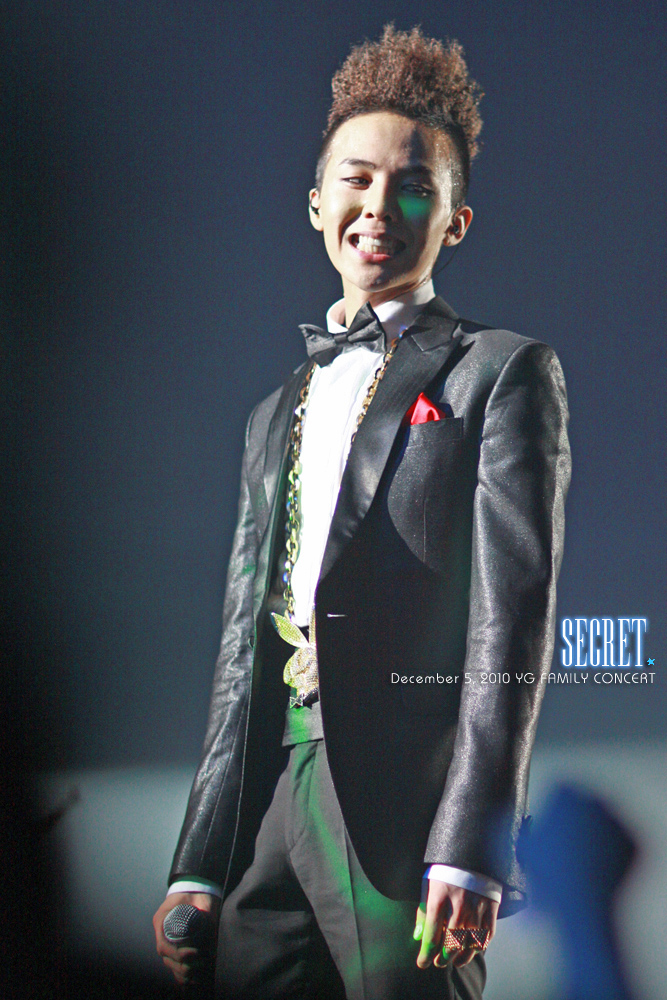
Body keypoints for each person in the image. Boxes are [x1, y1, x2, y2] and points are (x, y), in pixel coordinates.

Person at [153, 24, 571, 1000]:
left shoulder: (498, 372)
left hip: (402, 819)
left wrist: (471, 844)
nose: (379, 204)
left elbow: (511, 623)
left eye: (414, 185)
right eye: (356, 178)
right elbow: (239, 649)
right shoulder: (274, 413)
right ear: (316, 203)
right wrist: (198, 863)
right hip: (268, 810)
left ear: (454, 222)